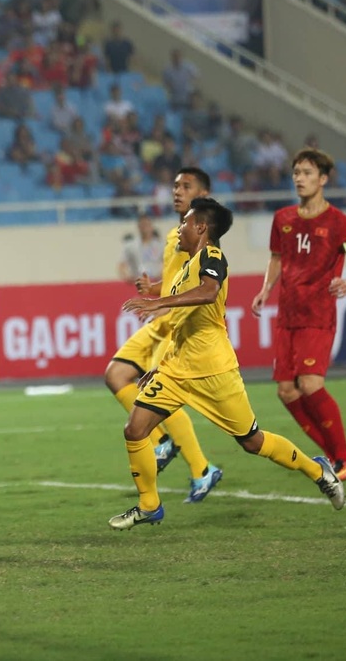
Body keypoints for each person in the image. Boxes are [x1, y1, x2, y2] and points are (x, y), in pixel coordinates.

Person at [108, 197, 346, 529]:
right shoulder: (183, 272)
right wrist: (160, 366)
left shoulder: (213, 256)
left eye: (185, 223)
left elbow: (208, 292)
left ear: (201, 228)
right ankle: (149, 505)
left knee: (253, 442)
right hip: (178, 370)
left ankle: (317, 469)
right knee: (135, 429)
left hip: (215, 371)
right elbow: (183, 326)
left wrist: (158, 301)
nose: (180, 228)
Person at [251, 148, 346, 481]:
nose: (299, 179)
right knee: (286, 391)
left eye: (306, 173)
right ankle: (334, 458)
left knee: (310, 384)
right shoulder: (283, 219)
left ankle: (344, 458)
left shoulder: (340, 222)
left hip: (318, 315)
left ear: (323, 179)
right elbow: (276, 258)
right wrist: (266, 290)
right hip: (287, 315)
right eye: (296, 173)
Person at [104, 167, 221, 503]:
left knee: (156, 394)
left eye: (186, 186)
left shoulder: (200, 235)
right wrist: (153, 289)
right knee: (116, 374)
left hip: (176, 324)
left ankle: (200, 469)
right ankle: (162, 443)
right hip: (160, 320)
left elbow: (201, 285)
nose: (177, 191)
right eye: (175, 186)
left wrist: (165, 304)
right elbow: (176, 279)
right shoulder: (175, 234)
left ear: (204, 195)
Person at [117, 214, 163, 284]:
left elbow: (167, 263)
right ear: (138, 227)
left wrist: (161, 274)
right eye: (142, 226)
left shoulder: (160, 245)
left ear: (151, 226)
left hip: (155, 281)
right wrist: (127, 276)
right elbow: (121, 264)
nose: (145, 228)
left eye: (147, 225)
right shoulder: (130, 246)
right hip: (137, 282)